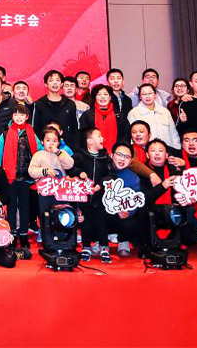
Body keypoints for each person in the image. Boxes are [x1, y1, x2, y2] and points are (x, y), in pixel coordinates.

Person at [0, 104, 40, 255]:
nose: (19, 117)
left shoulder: (31, 133)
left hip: (26, 176)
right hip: (10, 177)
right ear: (12, 117)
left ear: (27, 117)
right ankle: (12, 233)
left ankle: (24, 234)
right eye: (16, 114)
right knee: (12, 206)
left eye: (22, 114)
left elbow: (39, 151)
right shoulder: (5, 133)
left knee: (25, 206)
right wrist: (0, 172)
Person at [71, 127, 112, 263]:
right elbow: (70, 168)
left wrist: (101, 184)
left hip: (100, 197)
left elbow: (110, 174)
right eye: (99, 136)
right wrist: (79, 173)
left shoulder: (105, 157)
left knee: (102, 222)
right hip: (84, 196)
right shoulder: (79, 156)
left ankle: (104, 247)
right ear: (89, 141)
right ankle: (86, 246)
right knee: (85, 222)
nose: (102, 139)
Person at [106, 141, 145, 257]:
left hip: (122, 214)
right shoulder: (103, 170)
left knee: (131, 222)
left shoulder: (134, 178)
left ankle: (123, 241)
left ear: (131, 160)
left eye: (127, 157)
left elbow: (136, 200)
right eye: (119, 155)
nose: (122, 159)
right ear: (112, 155)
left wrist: (129, 212)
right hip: (104, 212)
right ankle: (101, 242)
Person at [77, 84, 126, 156]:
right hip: (92, 154)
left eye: (105, 94)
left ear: (110, 97)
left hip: (115, 154)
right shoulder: (87, 115)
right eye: (99, 94)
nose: (102, 97)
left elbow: (125, 135)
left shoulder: (119, 116)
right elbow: (82, 136)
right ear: (95, 98)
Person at [129, 83, 180, 149]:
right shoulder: (133, 113)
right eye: (144, 94)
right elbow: (131, 137)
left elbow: (173, 134)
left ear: (155, 95)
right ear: (140, 97)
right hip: (145, 152)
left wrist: (176, 150)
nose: (147, 96)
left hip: (167, 151)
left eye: (150, 93)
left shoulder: (165, 112)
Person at [32, 70, 77, 139]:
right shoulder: (39, 104)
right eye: (51, 80)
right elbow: (35, 129)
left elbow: (75, 129)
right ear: (46, 84)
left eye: (57, 80)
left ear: (61, 84)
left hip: (66, 144)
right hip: (45, 144)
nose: (55, 83)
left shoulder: (70, 104)